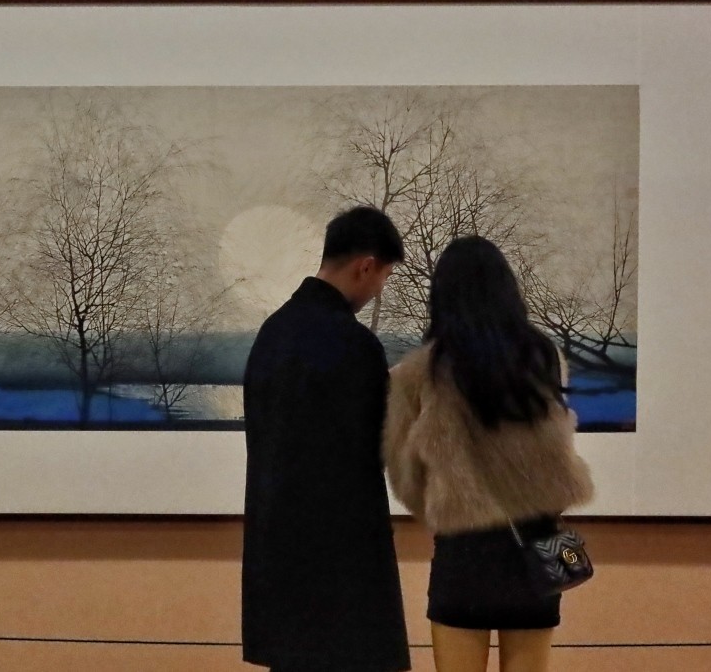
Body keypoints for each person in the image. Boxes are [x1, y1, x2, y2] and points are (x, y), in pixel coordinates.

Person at [382, 235, 594, 672]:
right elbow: (557, 454)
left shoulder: (416, 373)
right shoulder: (543, 356)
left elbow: (405, 478)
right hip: (535, 548)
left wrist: (448, 501)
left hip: (464, 554)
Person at [242, 205, 411, 672]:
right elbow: (380, 442)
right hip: (343, 563)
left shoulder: (271, 335)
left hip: (277, 552)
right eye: (384, 278)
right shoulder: (354, 345)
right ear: (366, 266)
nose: (378, 291)